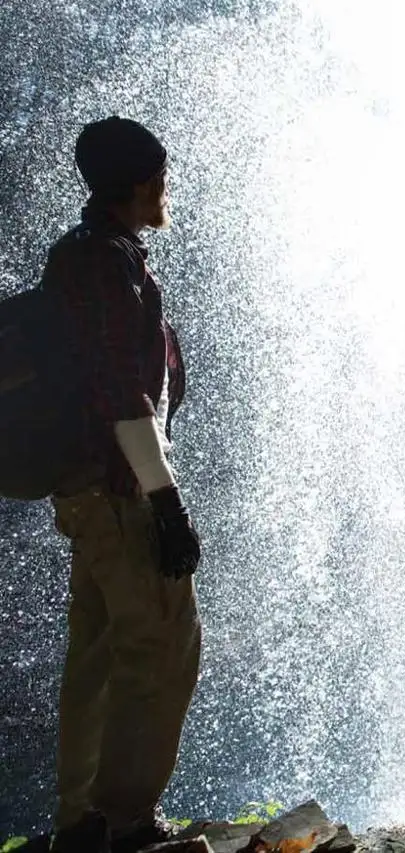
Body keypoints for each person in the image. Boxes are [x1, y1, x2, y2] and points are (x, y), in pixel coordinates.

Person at [44, 116, 202, 853]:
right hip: (119, 492)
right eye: (160, 176)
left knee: (101, 649)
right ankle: (124, 821)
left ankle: (79, 820)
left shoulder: (82, 256)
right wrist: (165, 501)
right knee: (163, 641)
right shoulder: (109, 263)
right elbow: (119, 391)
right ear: (141, 183)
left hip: (86, 491)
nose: (166, 188)